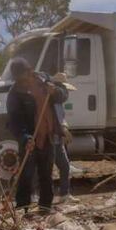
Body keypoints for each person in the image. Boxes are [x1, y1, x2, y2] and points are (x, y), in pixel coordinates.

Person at [6, 57, 68, 212]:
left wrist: (55, 91)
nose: (22, 82)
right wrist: (25, 137)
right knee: (26, 175)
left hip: (48, 137)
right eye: (18, 79)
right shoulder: (14, 94)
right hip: (30, 140)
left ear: (30, 71)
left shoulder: (45, 79)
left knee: (46, 174)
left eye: (24, 77)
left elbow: (64, 95)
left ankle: (45, 207)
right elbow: (14, 121)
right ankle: (23, 208)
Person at [51, 72, 76, 204]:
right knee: (50, 169)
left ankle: (64, 195)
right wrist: (62, 131)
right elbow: (54, 121)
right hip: (51, 139)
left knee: (64, 167)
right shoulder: (53, 101)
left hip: (57, 139)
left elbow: (61, 119)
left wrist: (65, 129)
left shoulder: (58, 103)